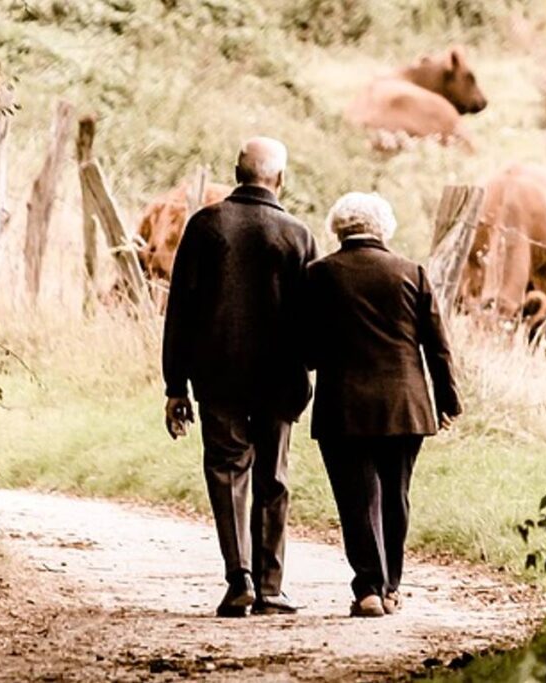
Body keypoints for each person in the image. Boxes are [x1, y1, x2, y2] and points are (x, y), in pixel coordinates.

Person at [162, 137, 318, 617]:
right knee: (273, 476)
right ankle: (272, 587)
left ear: (236, 172)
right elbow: (312, 316)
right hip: (280, 378)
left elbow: (180, 311)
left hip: (217, 374)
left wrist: (175, 386)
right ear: (281, 179)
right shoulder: (297, 234)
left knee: (228, 472)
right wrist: (308, 367)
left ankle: (240, 579)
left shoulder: (206, 226)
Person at [303, 192, 462, 618]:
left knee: (357, 499)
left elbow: (307, 349)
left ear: (337, 228)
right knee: (396, 495)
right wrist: (447, 400)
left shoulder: (319, 275)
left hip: (343, 406)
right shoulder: (412, 272)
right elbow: (438, 347)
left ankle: (368, 589)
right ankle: (391, 587)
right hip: (405, 405)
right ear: (383, 228)